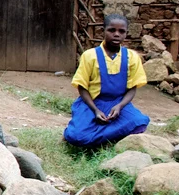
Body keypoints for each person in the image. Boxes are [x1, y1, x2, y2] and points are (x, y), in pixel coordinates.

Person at [64, 13, 150, 147]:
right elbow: (82, 87)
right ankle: (104, 136)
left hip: (117, 103)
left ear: (126, 34)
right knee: (76, 136)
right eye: (111, 30)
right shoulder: (90, 56)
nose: (116, 34)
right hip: (91, 103)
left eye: (121, 31)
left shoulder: (132, 57)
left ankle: (97, 137)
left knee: (139, 123)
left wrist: (120, 106)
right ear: (103, 31)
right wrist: (96, 110)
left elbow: (132, 87)